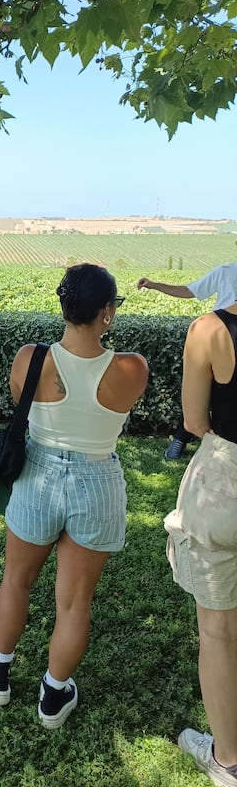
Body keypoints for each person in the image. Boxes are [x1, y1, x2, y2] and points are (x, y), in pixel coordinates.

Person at [0, 263, 148, 727]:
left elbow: (18, 401)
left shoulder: (30, 359)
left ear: (64, 306)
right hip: (98, 481)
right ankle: (53, 694)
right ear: (106, 312)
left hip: (37, 476)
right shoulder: (132, 368)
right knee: (75, 602)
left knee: (16, 581)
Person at [164, 294, 237, 786]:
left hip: (224, 483)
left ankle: (227, 759)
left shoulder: (209, 330)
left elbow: (193, 422)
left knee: (217, 631)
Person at [138, 263, 237, 460]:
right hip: (219, 341)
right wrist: (154, 285)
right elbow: (189, 290)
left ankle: (181, 440)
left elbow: (189, 291)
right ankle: (180, 439)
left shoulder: (206, 328)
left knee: (199, 397)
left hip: (219, 339)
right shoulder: (225, 271)